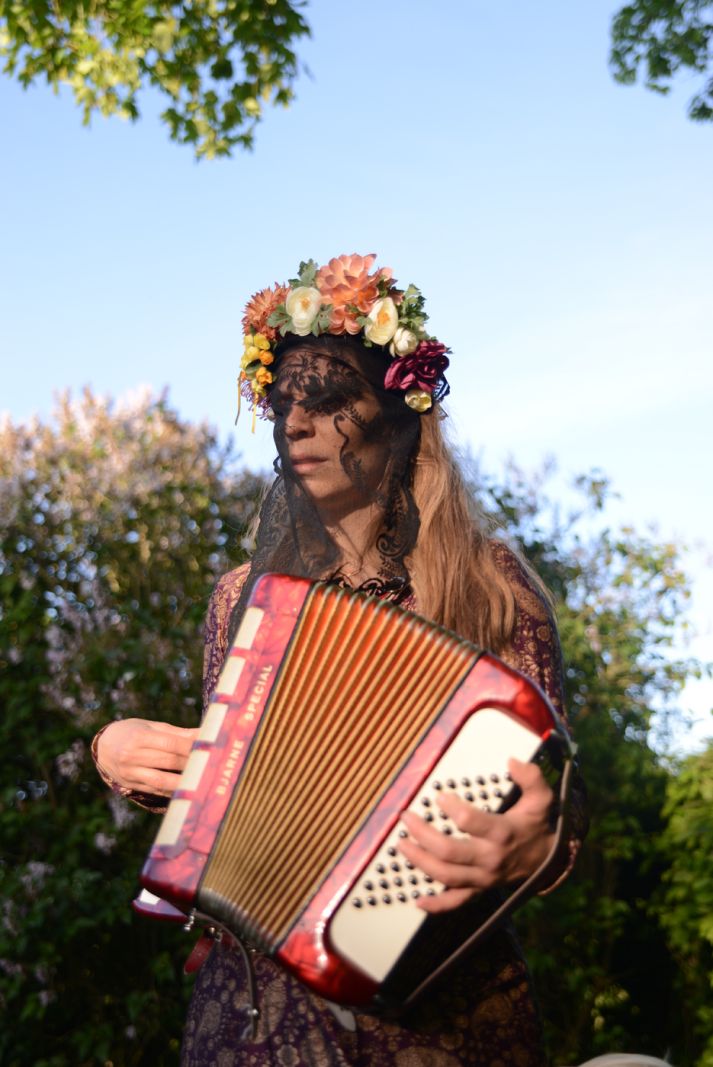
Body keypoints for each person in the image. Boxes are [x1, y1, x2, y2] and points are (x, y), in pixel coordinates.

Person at [93, 253, 588, 1066]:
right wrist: (123, 755)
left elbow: (563, 810)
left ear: (398, 415)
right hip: (253, 1019)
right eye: (283, 404)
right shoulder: (237, 597)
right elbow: (237, 795)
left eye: (327, 401)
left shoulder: (495, 586)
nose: (295, 424)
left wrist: (538, 846)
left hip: (441, 1025)